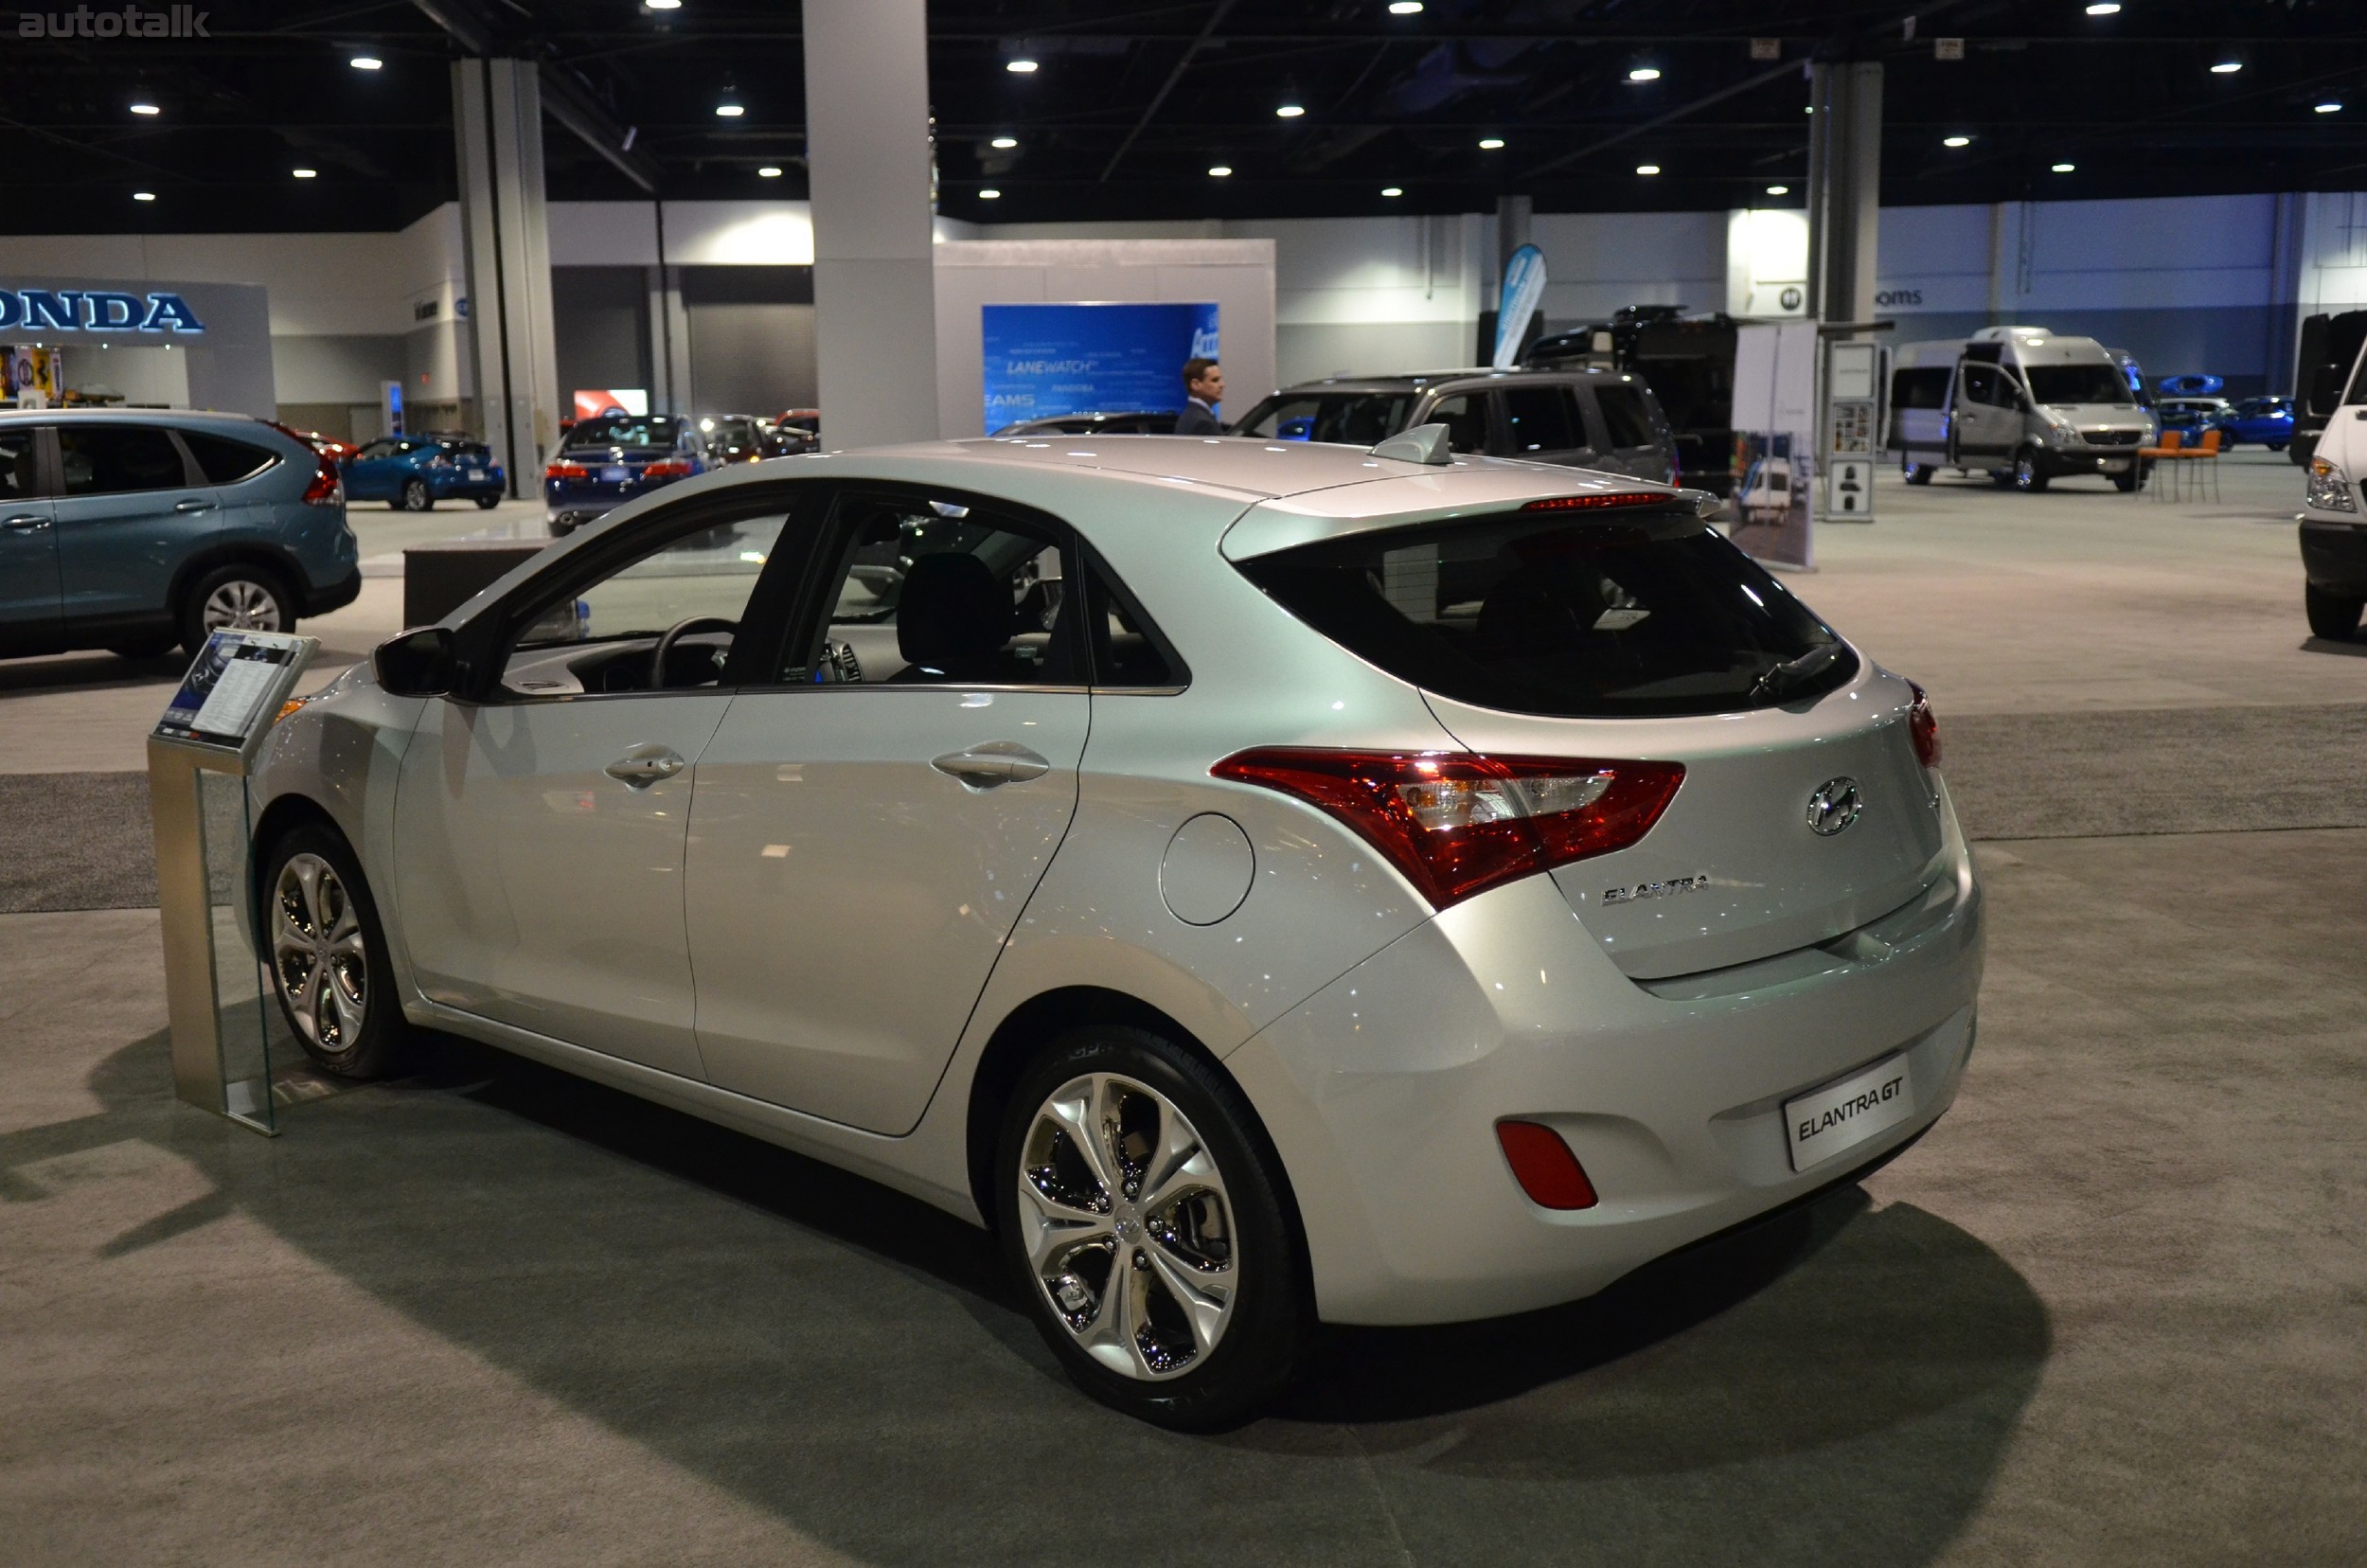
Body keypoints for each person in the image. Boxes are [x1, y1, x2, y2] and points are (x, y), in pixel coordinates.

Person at [1173, 358, 1224, 435]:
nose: (1222, 385)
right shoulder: (1203, 422)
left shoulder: (1190, 415)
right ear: (1195, 384)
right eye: (1215, 380)